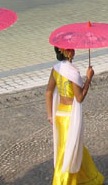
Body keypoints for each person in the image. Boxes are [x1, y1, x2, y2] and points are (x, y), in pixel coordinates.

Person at [44, 46, 103, 185]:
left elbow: (48, 92)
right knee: (68, 149)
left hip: (59, 113)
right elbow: (80, 97)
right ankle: (62, 181)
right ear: (67, 52)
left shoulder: (56, 69)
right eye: (71, 49)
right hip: (70, 116)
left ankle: (88, 176)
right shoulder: (73, 72)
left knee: (70, 146)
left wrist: (50, 115)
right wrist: (88, 78)